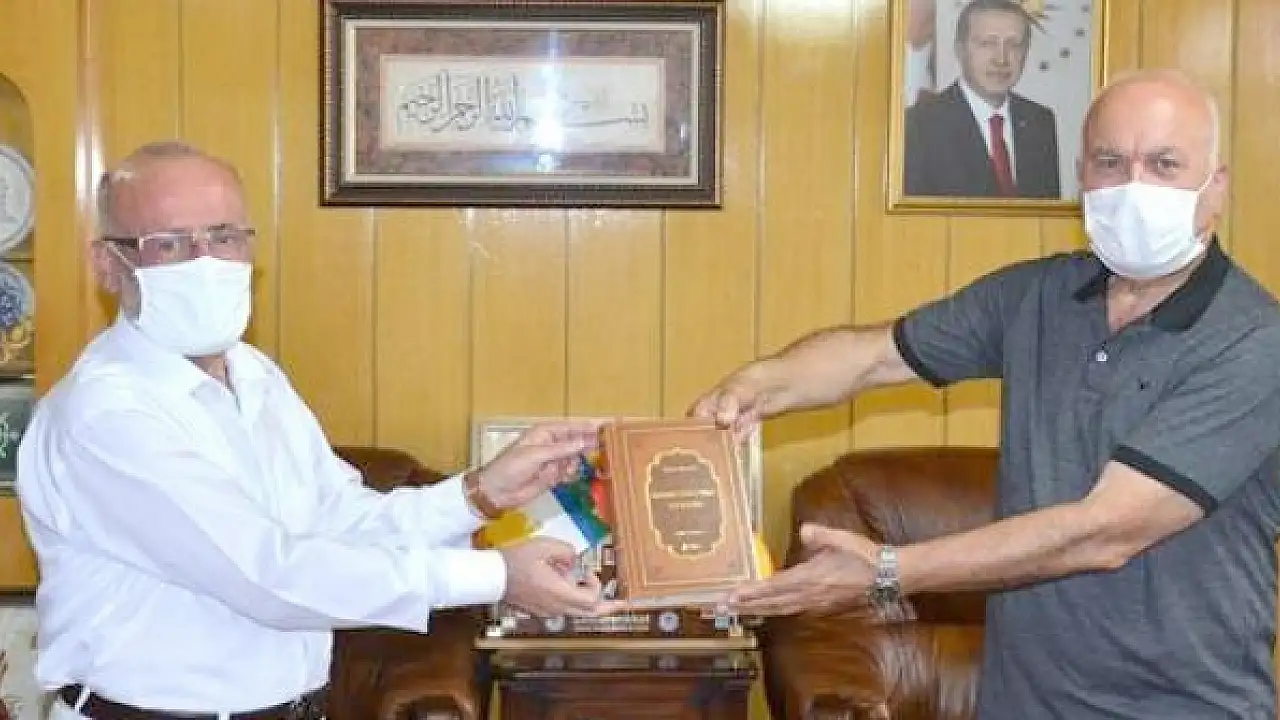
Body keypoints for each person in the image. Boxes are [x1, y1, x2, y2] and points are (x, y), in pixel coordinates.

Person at [694, 69, 1280, 718]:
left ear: (1215, 187)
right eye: (1111, 162)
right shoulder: (1037, 296)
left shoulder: (1255, 341)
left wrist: (890, 570)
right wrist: (756, 385)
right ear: (1082, 175)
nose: (1134, 186)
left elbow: (1105, 532)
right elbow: (873, 357)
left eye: (1164, 164)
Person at [17, 141, 618, 720]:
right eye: (169, 244)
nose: (205, 263)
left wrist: (482, 493)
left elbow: (340, 520)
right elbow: (270, 576)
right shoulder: (104, 415)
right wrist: (495, 576)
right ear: (108, 264)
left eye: (224, 237)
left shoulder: (253, 374)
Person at [904, 0, 1060, 198]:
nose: (1001, 59)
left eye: (1013, 45)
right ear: (960, 49)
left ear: (1026, 52)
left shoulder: (1040, 121)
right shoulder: (920, 125)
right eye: (987, 43)